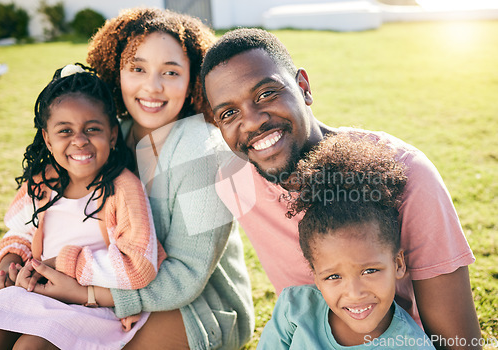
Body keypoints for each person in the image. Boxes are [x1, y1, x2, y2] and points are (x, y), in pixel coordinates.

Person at [201, 28, 482, 349]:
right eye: (229, 113)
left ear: (303, 87)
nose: (250, 122)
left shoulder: (408, 175)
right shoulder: (234, 182)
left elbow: (460, 342)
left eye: (266, 93)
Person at [0, 8, 255, 350]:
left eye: (171, 72)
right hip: (102, 285)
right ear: (115, 71)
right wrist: (17, 262)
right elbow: (43, 213)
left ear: (194, 78)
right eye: (137, 68)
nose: (153, 86)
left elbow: (185, 280)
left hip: (194, 306)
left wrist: (88, 294)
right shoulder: (107, 136)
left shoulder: (205, 154)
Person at [0, 63, 164, 349]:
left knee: (30, 346)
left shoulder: (122, 188)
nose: (80, 140)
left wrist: (63, 266)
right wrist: (11, 263)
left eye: (92, 129)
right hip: (37, 293)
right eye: (65, 131)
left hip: (92, 305)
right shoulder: (41, 182)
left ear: (112, 135)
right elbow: (20, 233)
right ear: (48, 139)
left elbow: (140, 266)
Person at [258, 133, 435, 349]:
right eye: (333, 276)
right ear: (315, 276)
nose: (354, 293)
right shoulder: (295, 308)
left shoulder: (412, 345)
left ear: (398, 264)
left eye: (369, 271)